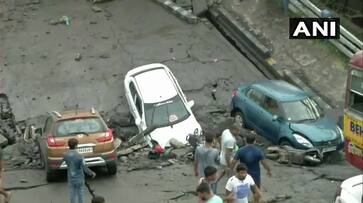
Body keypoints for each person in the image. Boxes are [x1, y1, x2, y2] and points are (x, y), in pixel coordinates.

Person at [63, 138, 96, 203]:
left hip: (70, 178)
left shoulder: (65, 155)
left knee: (72, 193)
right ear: (76, 146)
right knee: (80, 193)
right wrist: (91, 173)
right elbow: (85, 168)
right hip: (79, 178)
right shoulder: (80, 156)